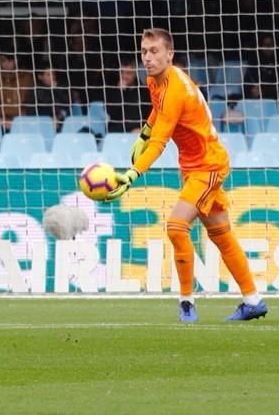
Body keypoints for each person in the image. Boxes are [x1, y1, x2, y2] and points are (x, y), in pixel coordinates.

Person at [104, 28, 268, 323]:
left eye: (154, 51)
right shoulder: (156, 80)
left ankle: (186, 302)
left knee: (177, 226)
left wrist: (131, 174)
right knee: (220, 234)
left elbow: (160, 142)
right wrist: (144, 129)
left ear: (170, 54)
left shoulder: (177, 88)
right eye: (143, 51)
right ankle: (253, 300)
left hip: (208, 166)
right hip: (193, 166)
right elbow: (158, 113)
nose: (147, 58)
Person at [0, 52, 33, 132]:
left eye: (10, 60)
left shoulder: (27, 78)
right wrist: (0, 120)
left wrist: (22, 119)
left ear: (15, 61)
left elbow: (31, 103)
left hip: (24, 120)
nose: (6, 64)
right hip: (0, 123)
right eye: (3, 61)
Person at [104, 57, 149, 134]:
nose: (124, 76)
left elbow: (148, 116)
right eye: (122, 72)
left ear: (135, 73)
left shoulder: (144, 92)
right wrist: (119, 92)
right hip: (117, 132)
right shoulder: (112, 90)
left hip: (138, 132)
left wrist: (140, 129)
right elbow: (111, 113)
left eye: (128, 73)